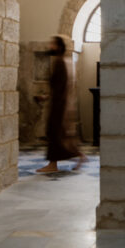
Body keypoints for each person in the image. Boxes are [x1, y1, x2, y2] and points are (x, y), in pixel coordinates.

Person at [36, 36, 86, 173]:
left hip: (59, 105)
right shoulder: (64, 61)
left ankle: (53, 165)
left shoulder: (60, 62)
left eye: (52, 44)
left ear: (58, 46)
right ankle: (79, 155)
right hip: (61, 104)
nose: (50, 46)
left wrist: (52, 101)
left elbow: (59, 87)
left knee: (54, 133)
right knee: (60, 135)